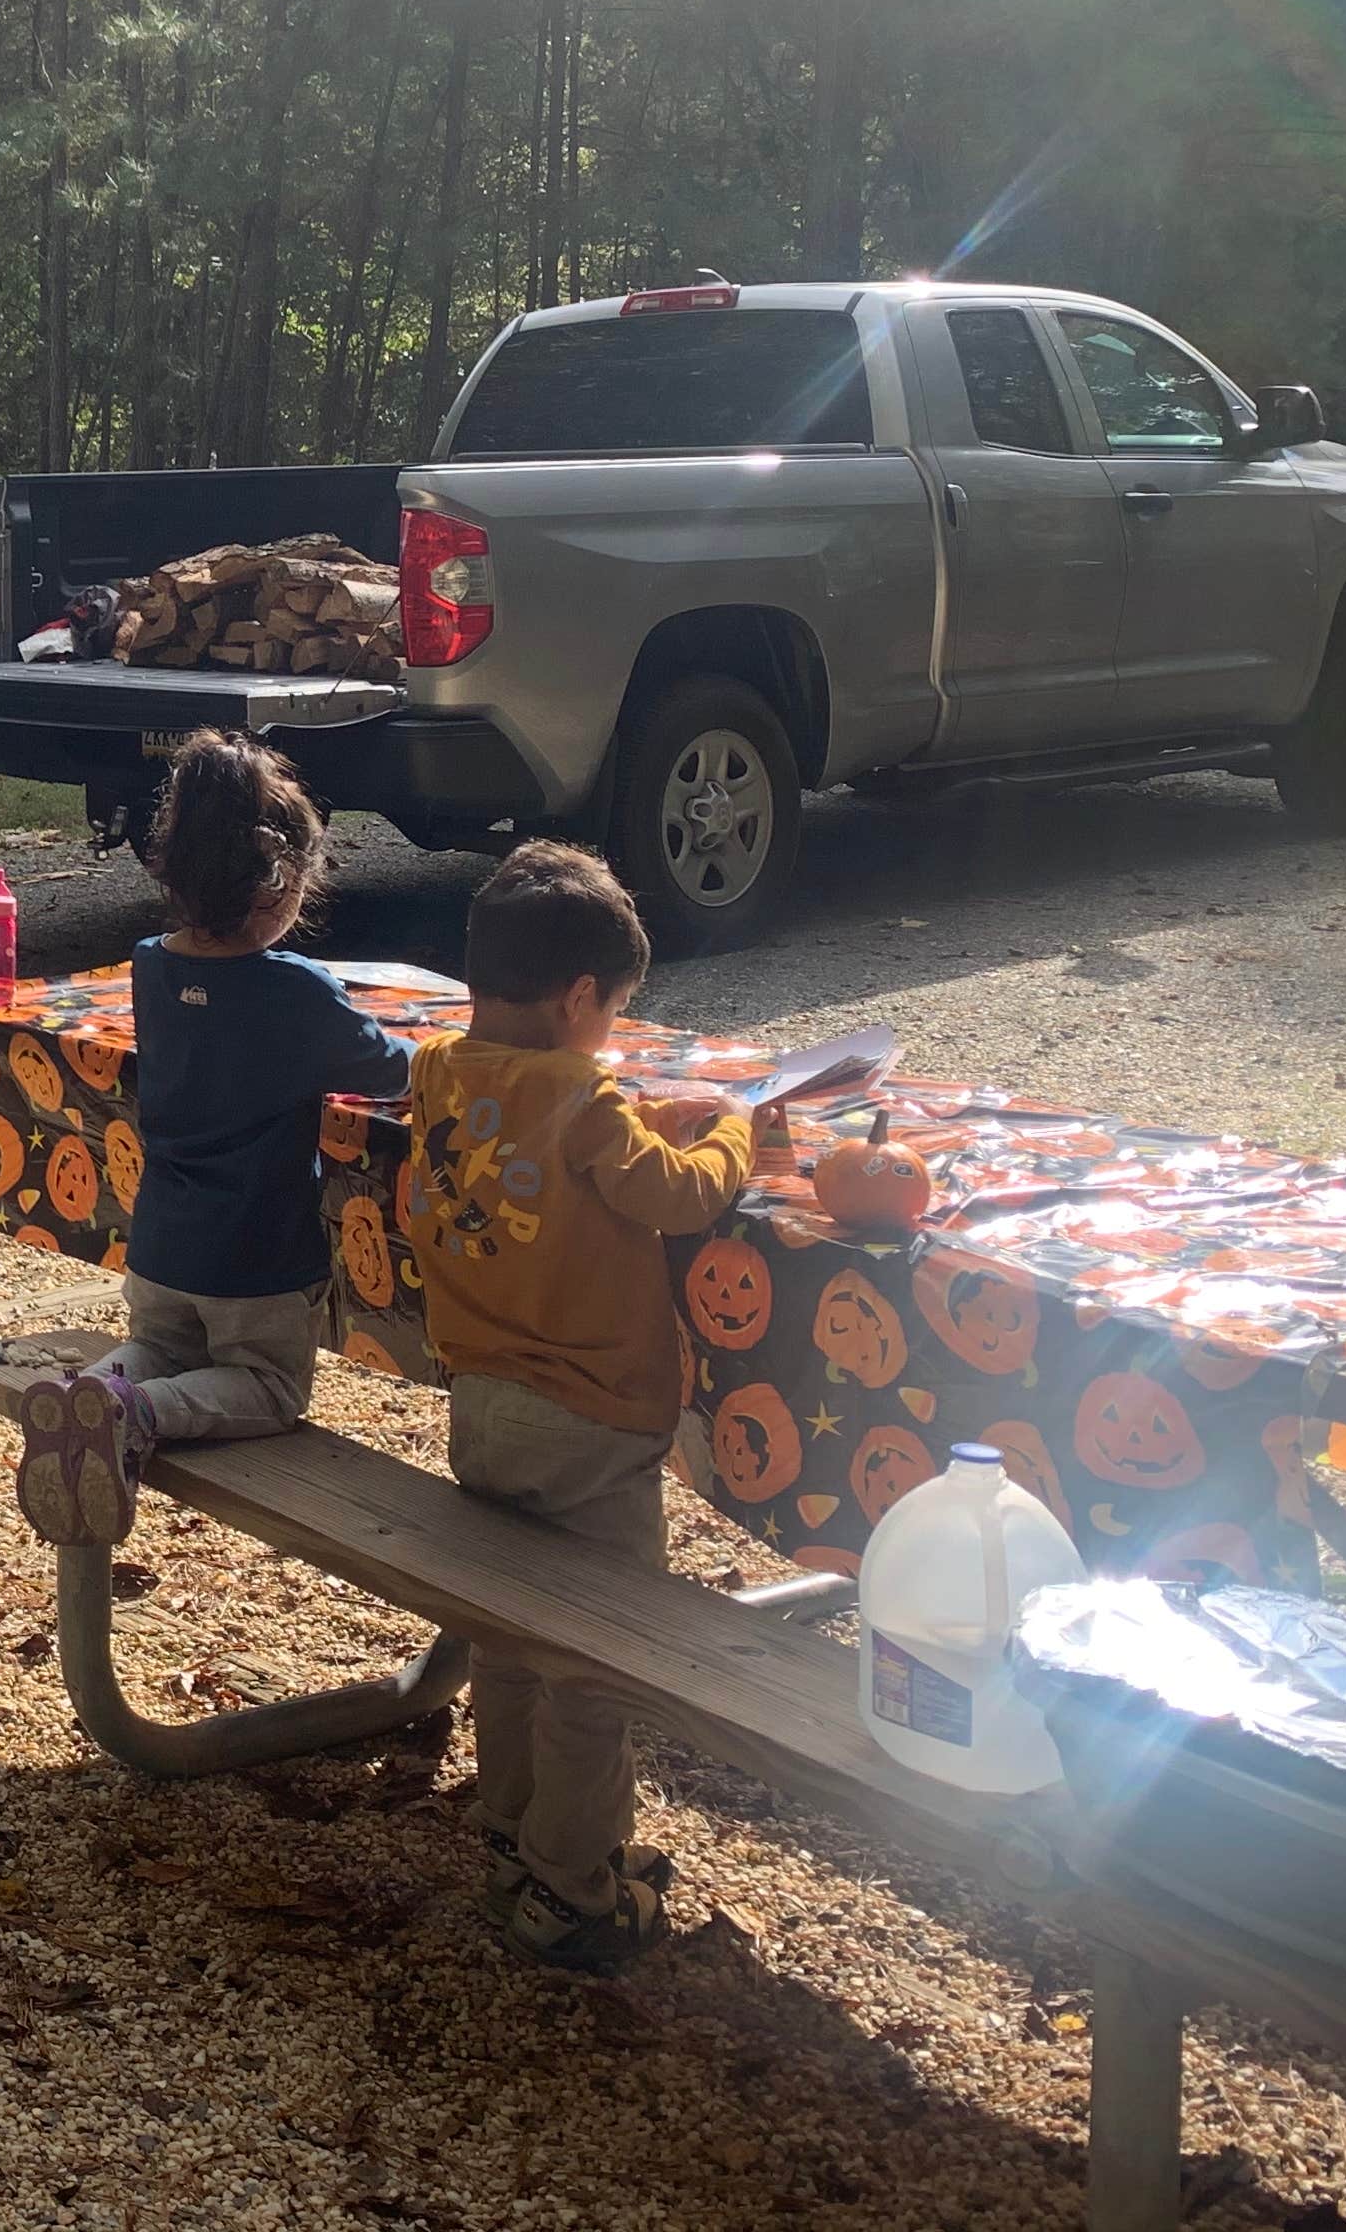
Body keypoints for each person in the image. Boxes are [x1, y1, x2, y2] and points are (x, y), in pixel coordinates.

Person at [400, 841, 754, 1976]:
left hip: (483, 1402)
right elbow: (678, 1193)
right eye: (615, 1012)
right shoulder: (585, 1091)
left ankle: (509, 1826)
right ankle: (571, 1885)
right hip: (592, 1421)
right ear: (581, 999)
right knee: (592, 1667)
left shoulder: (440, 1071)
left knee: (510, 1631)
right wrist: (737, 1128)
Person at [13, 733, 407, 1548]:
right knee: (266, 1386)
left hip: (162, 1244)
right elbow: (392, 1069)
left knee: (155, 1345)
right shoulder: (295, 989)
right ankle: (137, 1413)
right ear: (281, 884)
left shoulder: (151, 964)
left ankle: (94, 1394)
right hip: (256, 1258)